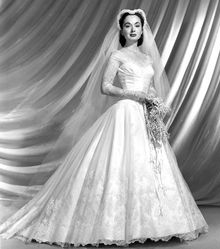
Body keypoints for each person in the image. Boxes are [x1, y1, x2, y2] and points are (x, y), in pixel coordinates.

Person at [0, 9, 208, 247]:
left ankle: (155, 222)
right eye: (128, 25)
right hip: (125, 113)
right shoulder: (117, 56)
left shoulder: (148, 59)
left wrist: (152, 101)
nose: (132, 29)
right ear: (122, 29)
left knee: (150, 165)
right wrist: (135, 94)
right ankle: (113, 225)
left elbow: (149, 87)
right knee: (117, 162)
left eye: (137, 25)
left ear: (142, 29)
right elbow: (106, 87)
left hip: (143, 115)